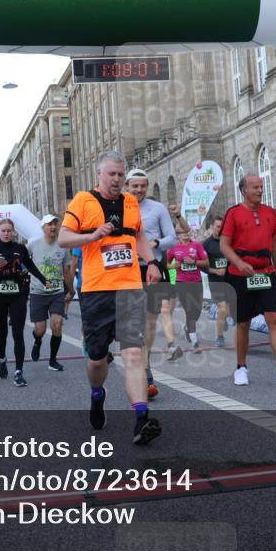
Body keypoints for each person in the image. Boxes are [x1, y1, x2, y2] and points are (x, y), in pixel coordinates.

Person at [59, 151, 162, 445]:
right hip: (95, 291)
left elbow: (138, 235)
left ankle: (141, 420)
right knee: (96, 360)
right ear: (99, 176)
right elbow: (65, 237)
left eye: (121, 174)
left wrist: (152, 262)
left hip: (129, 287)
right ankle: (97, 394)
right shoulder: (83, 200)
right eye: (112, 175)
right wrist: (91, 237)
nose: (117, 180)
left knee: (133, 353)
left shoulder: (130, 203)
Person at [220, 174, 276, 388]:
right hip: (240, 276)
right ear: (244, 191)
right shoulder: (233, 213)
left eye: (261, 186)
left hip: (266, 273)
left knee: (274, 319)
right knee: (243, 323)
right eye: (255, 187)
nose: (260, 190)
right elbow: (224, 245)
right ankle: (241, 367)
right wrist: (239, 263)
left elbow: (275, 245)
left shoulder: (269, 212)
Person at [124, 168, 177, 396]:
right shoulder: (121, 206)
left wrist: (154, 245)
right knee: (131, 323)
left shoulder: (158, 209)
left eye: (143, 186)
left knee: (149, 324)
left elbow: (172, 238)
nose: (139, 190)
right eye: (135, 186)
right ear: (127, 186)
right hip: (126, 271)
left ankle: (146, 370)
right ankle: (144, 374)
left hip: (152, 269)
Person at [0, 219, 47, 388]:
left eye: (9, 230)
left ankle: (19, 372)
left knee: (18, 333)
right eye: (3, 230)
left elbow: (31, 267)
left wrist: (43, 279)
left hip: (18, 295)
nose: (6, 233)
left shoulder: (20, 249)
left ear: (14, 232)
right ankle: (2, 358)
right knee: (1, 334)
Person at [28, 214, 74, 372]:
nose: (53, 227)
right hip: (37, 292)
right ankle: (37, 341)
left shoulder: (63, 246)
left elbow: (66, 270)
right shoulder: (32, 244)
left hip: (57, 292)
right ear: (43, 227)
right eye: (49, 224)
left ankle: (53, 360)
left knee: (57, 324)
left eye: (55, 224)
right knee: (40, 329)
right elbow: (22, 262)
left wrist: (71, 289)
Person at [166, 228, 208, 350]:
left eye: (187, 232)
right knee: (189, 308)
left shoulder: (197, 245)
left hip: (196, 282)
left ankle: (187, 327)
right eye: (182, 233)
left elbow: (206, 262)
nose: (185, 235)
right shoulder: (174, 248)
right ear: (178, 236)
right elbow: (167, 264)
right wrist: (174, 266)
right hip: (182, 283)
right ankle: (193, 337)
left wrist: (193, 261)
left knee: (198, 309)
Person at [202, 215, 231, 348]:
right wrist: (214, 270)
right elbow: (202, 265)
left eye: (222, 226)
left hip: (230, 279)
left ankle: (223, 318)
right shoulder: (206, 244)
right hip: (215, 281)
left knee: (228, 310)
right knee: (222, 308)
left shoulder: (229, 241)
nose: (220, 229)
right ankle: (219, 337)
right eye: (218, 226)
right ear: (212, 226)